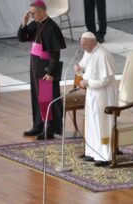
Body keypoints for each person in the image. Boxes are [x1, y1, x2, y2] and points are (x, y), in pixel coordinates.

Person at [18, 0, 66, 140]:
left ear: (42, 12)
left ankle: (48, 129)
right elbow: (22, 38)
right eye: (30, 14)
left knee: (46, 98)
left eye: (33, 14)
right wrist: (24, 24)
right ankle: (38, 126)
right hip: (34, 63)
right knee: (36, 96)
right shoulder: (36, 24)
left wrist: (50, 72)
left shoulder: (52, 27)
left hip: (45, 66)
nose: (31, 16)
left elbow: (55, 53)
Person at [74, 31, 117, 166]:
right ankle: (92, 152)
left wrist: (88, 83)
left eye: (85, 45)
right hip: (92, 93)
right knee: (91, 122)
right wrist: (79, 69)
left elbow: (106, 79)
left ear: (93, 42)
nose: (83, 48)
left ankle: (104, 156)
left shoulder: (103, 55)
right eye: (82, 45)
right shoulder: (89, 51)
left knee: (101, 124)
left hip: (103, 94)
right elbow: (85, 68)